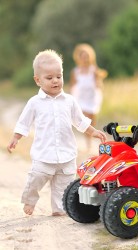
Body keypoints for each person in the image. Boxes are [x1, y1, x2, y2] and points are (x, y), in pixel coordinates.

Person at [7, 49, 107, 216]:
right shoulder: (34, 103)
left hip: (67, 155)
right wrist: (16, 138)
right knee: (36, 179)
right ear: (38, 80)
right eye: (49, 78)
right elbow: (24, 122)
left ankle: (59, 210)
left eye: (58, 77)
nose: (55, 81)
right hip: (43, 155)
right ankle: (30, 200)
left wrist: (93, 131)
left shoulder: (69, 101)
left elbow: (80, 121)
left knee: (64, 186)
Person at [70, 43, 107, 150]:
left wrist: (99, 84)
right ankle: (88, 143)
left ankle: (91, 139)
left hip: (93, 98)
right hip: (81, 99)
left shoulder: (94, 70)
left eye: (87, 56)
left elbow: (98, 83)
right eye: (83, 56)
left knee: (93, 120)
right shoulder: (75, 72)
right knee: (86, 120)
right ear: (79, 58)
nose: (85, 58)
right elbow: (72, 85)